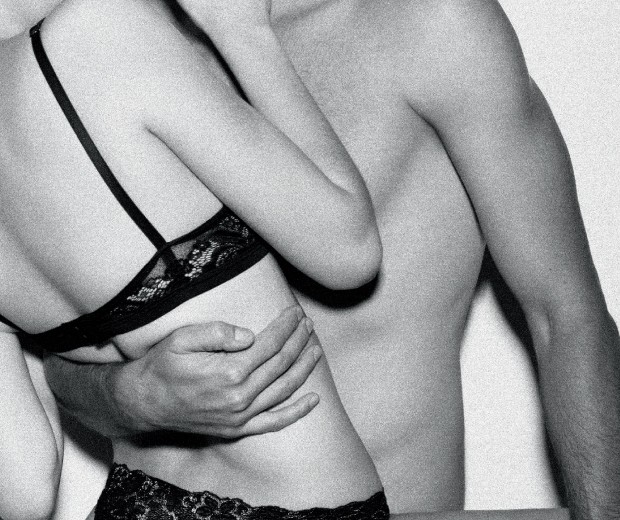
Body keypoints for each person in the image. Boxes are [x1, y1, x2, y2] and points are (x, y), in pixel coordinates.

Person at [44, 0, 620, 519]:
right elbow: (63, 359)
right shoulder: (108, 41)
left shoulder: (430, 24)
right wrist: (130, 395)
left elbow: (565, 315)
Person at [0, 0, 399, 517]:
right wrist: (242, 29)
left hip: (128, 504)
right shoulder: (97, 33)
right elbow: (348, 252)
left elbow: (25, 492)